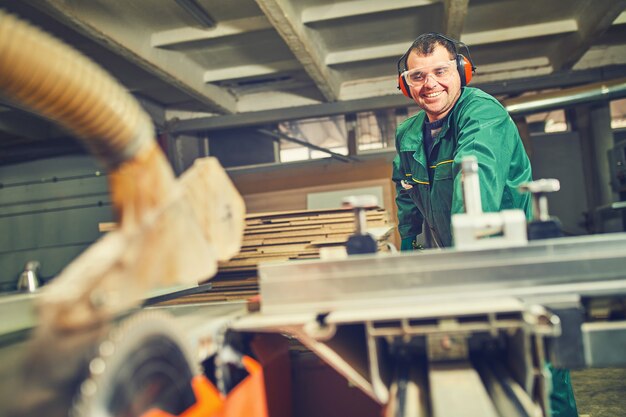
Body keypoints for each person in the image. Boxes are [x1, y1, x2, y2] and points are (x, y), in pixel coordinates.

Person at [392, 33, 578, 416]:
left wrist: (466, 264)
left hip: (514, 260)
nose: (430, 85)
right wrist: (410, 261)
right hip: (461, 263)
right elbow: (406, 197)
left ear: (462, 71)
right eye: (417, 76)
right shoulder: (408, 133)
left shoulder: (482, 112)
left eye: (441, 71)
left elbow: (475, 180)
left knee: (538, 364)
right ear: (405, 84)